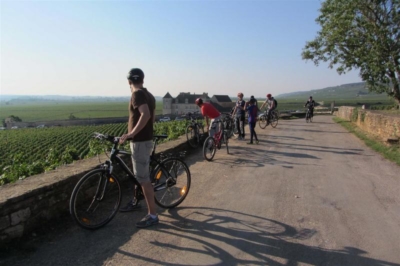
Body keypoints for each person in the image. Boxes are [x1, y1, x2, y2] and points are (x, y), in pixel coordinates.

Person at [118, 68, 159, 228]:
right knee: (139, 175)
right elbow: (153, 118)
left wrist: (131, 133)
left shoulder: (137, 94)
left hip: (140, 142)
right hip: (145, 140)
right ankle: (136, 201)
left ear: (129, 82)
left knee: (143, 179)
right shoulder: (150, 95)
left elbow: (146, 115)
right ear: (142, 79)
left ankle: (153, 216)